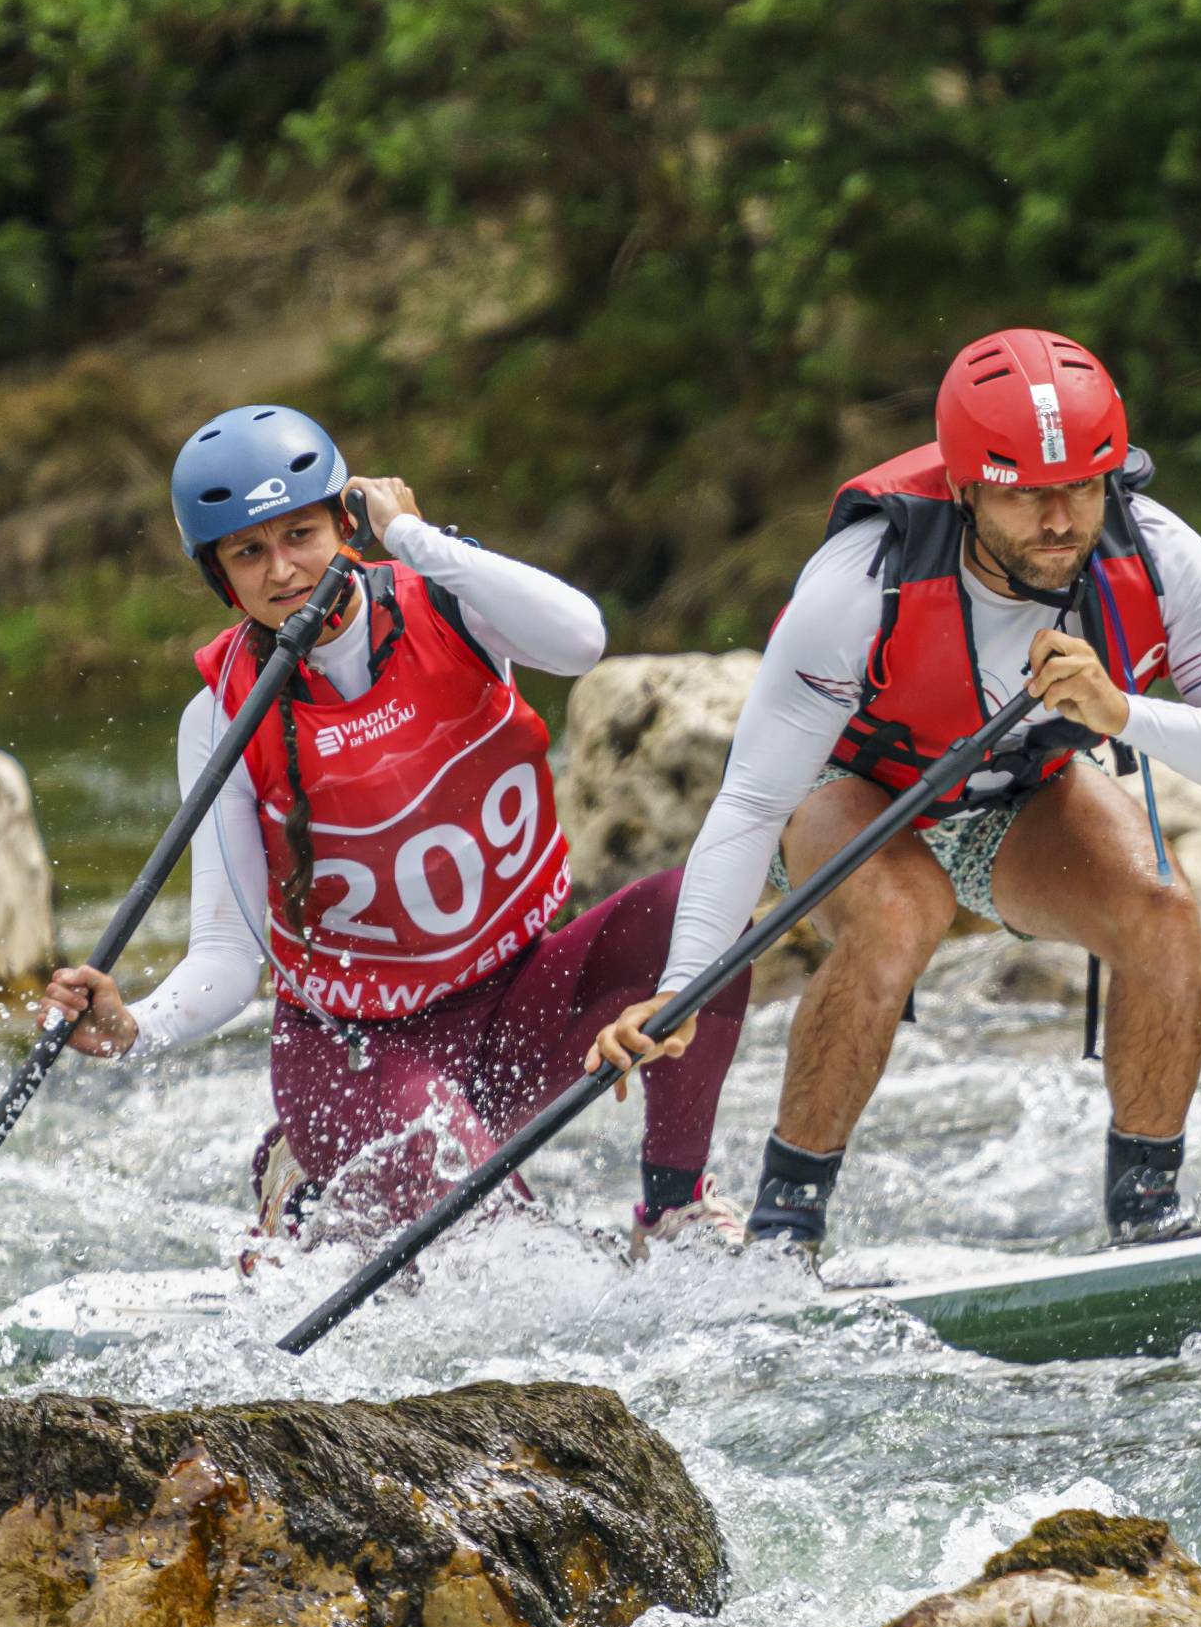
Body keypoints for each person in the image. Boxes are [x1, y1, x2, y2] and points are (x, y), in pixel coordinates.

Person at [587, 329, 1201, 1250]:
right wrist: (685, 985)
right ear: (969, 489)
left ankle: (1148, 1221)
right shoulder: (860, 583)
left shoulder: (1159, 553)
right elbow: (749, 803)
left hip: (1016, 787)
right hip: (849, 780)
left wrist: (1123, 714)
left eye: (1083, 488)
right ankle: (784, 1231)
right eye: (1028, 496)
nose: (1060, 521)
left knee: (1162, 914)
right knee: (901, 909)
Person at [38, 404, 750, 1258]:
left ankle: (673, 1209)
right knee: (508, 1258)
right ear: (220, 577)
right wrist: (133, 1028)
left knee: (697, 913)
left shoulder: (451, 602)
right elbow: (229, 957)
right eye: (248, 552)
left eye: (299, 533)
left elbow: (581, 640)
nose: (284, 570)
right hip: (355, 1052)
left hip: (517, 1001)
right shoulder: (221, 715)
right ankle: (311, 1169)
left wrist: (413, 537)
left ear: (347, 522)